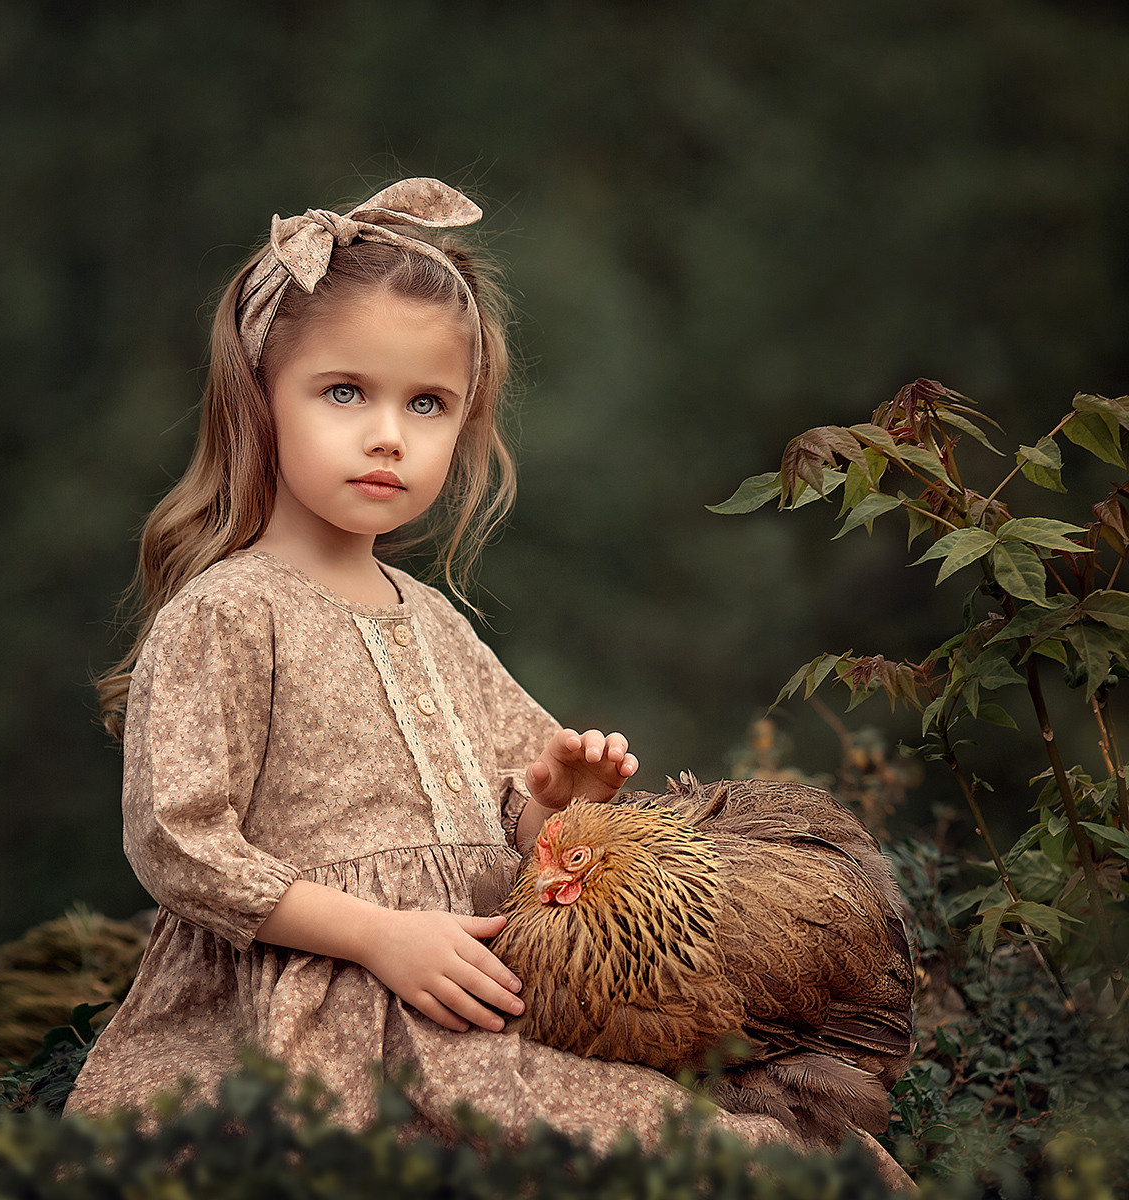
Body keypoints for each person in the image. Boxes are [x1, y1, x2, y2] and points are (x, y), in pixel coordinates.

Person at [62, 179, 909, 1184]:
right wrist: (379, 937)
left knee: (786, 1151)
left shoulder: (431, 617)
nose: (389, 434)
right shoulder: (229, 612)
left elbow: (514, 816)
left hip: (478, 999)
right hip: (315, 1015)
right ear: (258, 395)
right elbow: (178, 840)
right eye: (345, 392)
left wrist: (555, 803)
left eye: (427, 404)